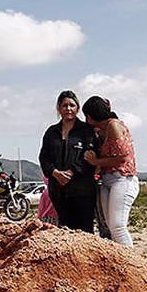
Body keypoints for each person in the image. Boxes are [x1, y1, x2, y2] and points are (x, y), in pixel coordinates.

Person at [38, 90, 99, 232]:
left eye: (72, 105)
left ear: (78, 108)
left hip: (82, 190)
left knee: (84, 231)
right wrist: (55, 173)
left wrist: (71, 173)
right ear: (59, 108)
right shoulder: (51, 132)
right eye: (64, 105)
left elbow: (89, 156)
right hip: (58, 190)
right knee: (65, 229)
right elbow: (44, 157)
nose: (68, 109)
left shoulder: (86, 131)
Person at [82, 96, 139, 247]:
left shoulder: (113, 125)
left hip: (122, 178)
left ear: (90, 117)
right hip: (107, 179)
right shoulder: (102, 129)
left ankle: (130, 259)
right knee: (111, 226)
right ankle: (123, 257)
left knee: (118, 226)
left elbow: (123, 158)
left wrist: (96, 162)